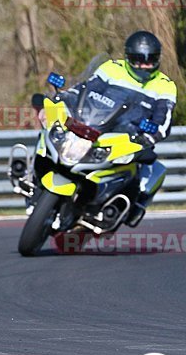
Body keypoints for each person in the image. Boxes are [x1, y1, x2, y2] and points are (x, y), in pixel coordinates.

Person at [59, 30, 177, 225]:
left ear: (157, 59)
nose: (144, 65)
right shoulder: (110, 69)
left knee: (138, 176)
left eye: (150, 60)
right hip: (96, 129)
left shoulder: (165, 86)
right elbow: (84, 89)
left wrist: (149, 137)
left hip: (130, 140)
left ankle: (122, 208)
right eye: (138, 59)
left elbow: (163, 122)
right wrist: (65, 97)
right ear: (128, 57)